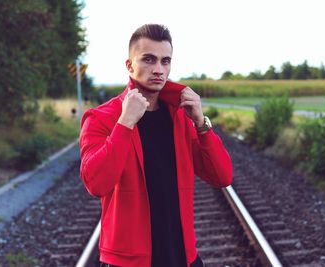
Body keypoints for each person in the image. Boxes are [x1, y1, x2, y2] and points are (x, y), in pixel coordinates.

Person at [79, 24, 233, 267]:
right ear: (130, 65)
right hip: (128, 261)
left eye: (165, 61)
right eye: (149, 60)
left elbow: (221, 176)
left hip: (182, 257)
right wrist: (125, 122)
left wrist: (202, 124)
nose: (159, 70)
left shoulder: (181, 116)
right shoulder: (101, 118)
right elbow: (96, 183)